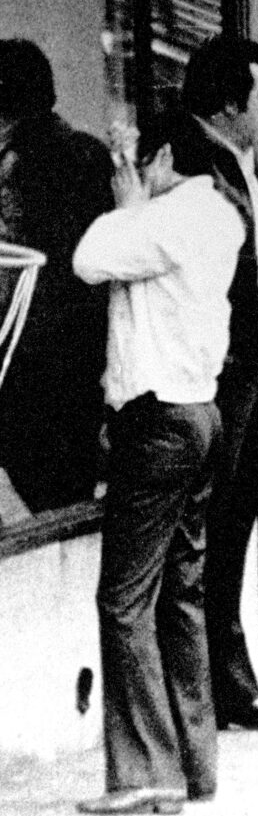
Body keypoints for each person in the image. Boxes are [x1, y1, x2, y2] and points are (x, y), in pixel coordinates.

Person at [73, 111, 244, 814]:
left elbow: (87, 258)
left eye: (141, 158)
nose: (131, 169)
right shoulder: (220, 216)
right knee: (181, 596)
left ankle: (145, 771)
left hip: (156, 421)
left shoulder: (165, 216)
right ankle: (194, 765)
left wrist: (130, 206)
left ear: (167, 155)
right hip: (200, 414)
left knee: (123, 600)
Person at [181, 36, 258, 731]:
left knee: (238, 510)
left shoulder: (234, 157)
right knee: (222, 516)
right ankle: (221, 681)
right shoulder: (196, 159)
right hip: (229, 358)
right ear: (229, 105)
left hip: (256, 346)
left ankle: (228, 675)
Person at [0, 39, 112, 513]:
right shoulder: (89, 155)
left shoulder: (15, 167)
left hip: (25, 373)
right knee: (67, 508)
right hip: (81, 369)